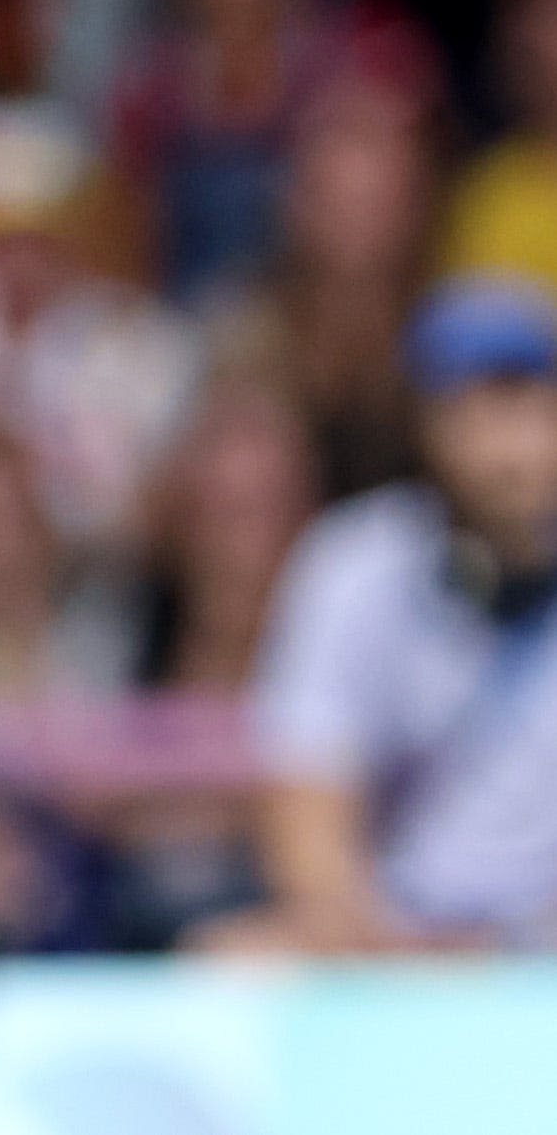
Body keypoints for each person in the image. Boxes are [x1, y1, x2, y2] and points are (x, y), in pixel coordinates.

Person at [205, 274, 557, 952]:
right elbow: (305, 819)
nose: (498, 444)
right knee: (229, 961)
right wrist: (393, 950)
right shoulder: (357, 565)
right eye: (464, 410)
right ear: (421, 427)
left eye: (518, 405)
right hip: (399, 934)